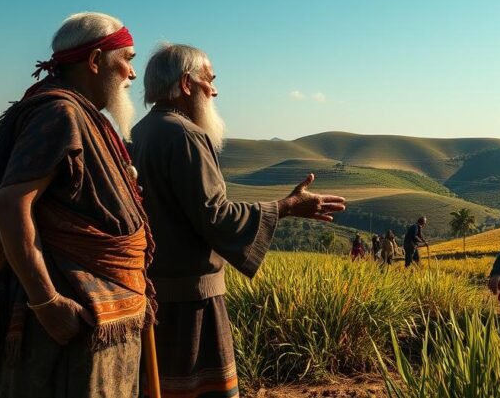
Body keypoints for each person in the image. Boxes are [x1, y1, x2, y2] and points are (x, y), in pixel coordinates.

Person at [131, 43, 345, 398]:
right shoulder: (185, 135)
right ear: (186, 84)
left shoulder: (142, 131)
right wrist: (286, 206)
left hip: (152, 293)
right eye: (209, 80)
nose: (213, 90)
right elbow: (215, 215)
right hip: (191, 301)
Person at [0, 12, 154, 396]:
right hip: (68, 319)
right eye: (126, 59)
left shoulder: (83, 114)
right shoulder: (61, 112)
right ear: (95, 61)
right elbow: (11, 205)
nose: (131, 74)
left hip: (93, 317)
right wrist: (47, 302)